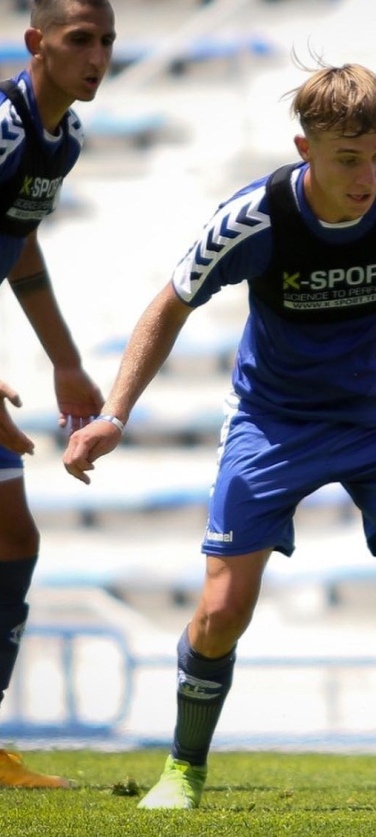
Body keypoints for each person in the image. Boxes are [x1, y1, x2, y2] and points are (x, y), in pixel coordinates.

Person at [63, 61, 376, 809]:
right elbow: (168, 306)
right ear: (304, 148)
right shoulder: (256, 218)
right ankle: (184, 768)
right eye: (348, 158)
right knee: (220, 613)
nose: (368, 174)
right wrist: (115, 413)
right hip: (274, 421)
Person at [0, 0, 115, 789]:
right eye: (81, 40)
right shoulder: (4, 127)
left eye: (107, 41)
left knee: (13, 539)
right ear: (36, 42)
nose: (98, 55)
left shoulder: (59, 138)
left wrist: (65, 361)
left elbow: (17, 240)